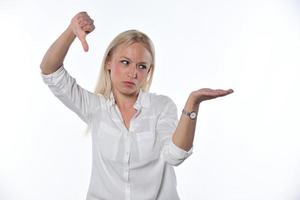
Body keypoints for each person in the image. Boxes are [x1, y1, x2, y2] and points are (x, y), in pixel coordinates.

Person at [40, 11, 233, 200]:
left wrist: (192, 105)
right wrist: (71, 31)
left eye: (141, 66)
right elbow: (50, 72)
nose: (133, 73)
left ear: (149, 71)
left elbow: (175, 156)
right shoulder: (95, 108)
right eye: (125, 62)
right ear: (108, 62)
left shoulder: (161, 107)